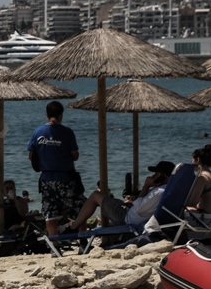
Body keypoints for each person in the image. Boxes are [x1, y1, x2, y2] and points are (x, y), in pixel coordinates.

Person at [28, 100, 85, 236]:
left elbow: (31, 156)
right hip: (65, 177)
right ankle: (83, 239)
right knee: (81, 208)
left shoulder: (37, 132)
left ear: (46, 114)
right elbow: (75, 155)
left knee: (50, 212)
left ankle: (54, 242)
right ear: (61, 115)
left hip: (46, 179)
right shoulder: (67, 132)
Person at [69, 161, 173, 232]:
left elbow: (137, 207)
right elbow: (141, 206)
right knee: (111, 200)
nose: (153, 176)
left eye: (156, 174)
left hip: (127, 218)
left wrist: (146, 186)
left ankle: (73, 228)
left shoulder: (159, 192)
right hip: (134, 215)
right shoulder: (169, 189)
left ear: (163, 176)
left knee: (95, 196)